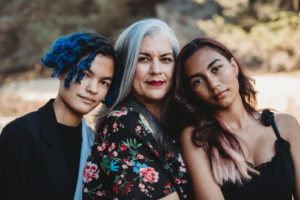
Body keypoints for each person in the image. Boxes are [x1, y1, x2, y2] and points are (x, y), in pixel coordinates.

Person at [164, 37, 300, 200]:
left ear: (234, 66)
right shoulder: (197, 138)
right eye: (198, 81)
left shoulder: (286, 125)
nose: (213, 84)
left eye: (216, 69)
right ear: (192, 92)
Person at [82, 18, 192, 200]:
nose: (156, 69)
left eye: (165, 59)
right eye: (143, 59)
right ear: (127, 66)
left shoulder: (178, 120)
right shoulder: (122, 124)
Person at [0, 32, 119, 200]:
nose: (93, 89)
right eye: (85, 74)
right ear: (63, 68)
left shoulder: (94, 142)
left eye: (104, 82)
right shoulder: (21, 134)